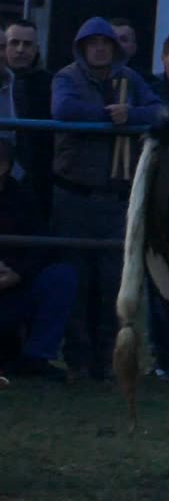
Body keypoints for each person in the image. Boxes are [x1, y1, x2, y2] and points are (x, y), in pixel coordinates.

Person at [50, 17, 164, 379]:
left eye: (106, 43)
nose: (100, 49)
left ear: (115, 48)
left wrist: (131, 114)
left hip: (117, 199)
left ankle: (107, 361)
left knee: (113, 283)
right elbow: (63, 110)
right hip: (75, 196)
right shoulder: (67, 77)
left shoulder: (130, 81)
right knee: (77, 281)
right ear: (82, 47)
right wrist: (106, 117)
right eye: (93, 43)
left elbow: (160, 111)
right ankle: (78, 360)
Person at [0, 139, 76, 381]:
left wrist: (17, 274)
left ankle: (36, 357)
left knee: (61, 276)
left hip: (14, 286)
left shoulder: (21, 197)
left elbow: (42, 245)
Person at [4, 19, 53, 221]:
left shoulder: (51, 84)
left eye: (27, 44)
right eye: (14, 43)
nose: (21, 49)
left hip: (36, 179)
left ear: (36, 48)